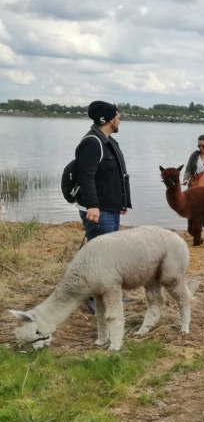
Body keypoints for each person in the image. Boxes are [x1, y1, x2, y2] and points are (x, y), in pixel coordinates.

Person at [75, 100, 132, 313]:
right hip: (98, 210)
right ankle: (94, 299)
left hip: (110, 207)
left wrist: (122, 202)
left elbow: (116, 175)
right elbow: (86, 176)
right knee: (99, 255)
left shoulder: (108, 141)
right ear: (109, 120)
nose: (120, 120)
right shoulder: (92, 142)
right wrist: (92, 206)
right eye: (117, 116)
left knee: (110, 254)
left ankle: (109, 294)